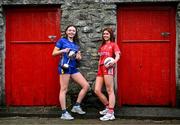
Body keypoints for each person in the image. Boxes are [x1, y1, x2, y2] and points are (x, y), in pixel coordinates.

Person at [52, 25, 89, 120]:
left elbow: (78, 58)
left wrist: (78, 56)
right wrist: (63, 50)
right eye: (70, 30)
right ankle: (64, 113)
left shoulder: (76, 45)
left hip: (73, 68)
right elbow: (53, 53)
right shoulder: (62, 41)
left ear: (75, 32)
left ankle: (76, 106)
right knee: (64, 89)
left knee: (86, 86)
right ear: (66, 31)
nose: (71, 32)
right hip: (65, 67)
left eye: (73, 30)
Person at [94, 27, 121, 121]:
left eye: (107, 34)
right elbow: (100, 60)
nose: (105, 35)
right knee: (97, 90)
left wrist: (114, 62)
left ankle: (111, 112)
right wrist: (98, 69)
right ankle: (107, 106)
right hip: (100, 69)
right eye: (104, 34)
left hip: (108, 68)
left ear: (110, 35)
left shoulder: (113, 45)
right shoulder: (101, 47)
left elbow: (118, 55)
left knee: (110, 90)